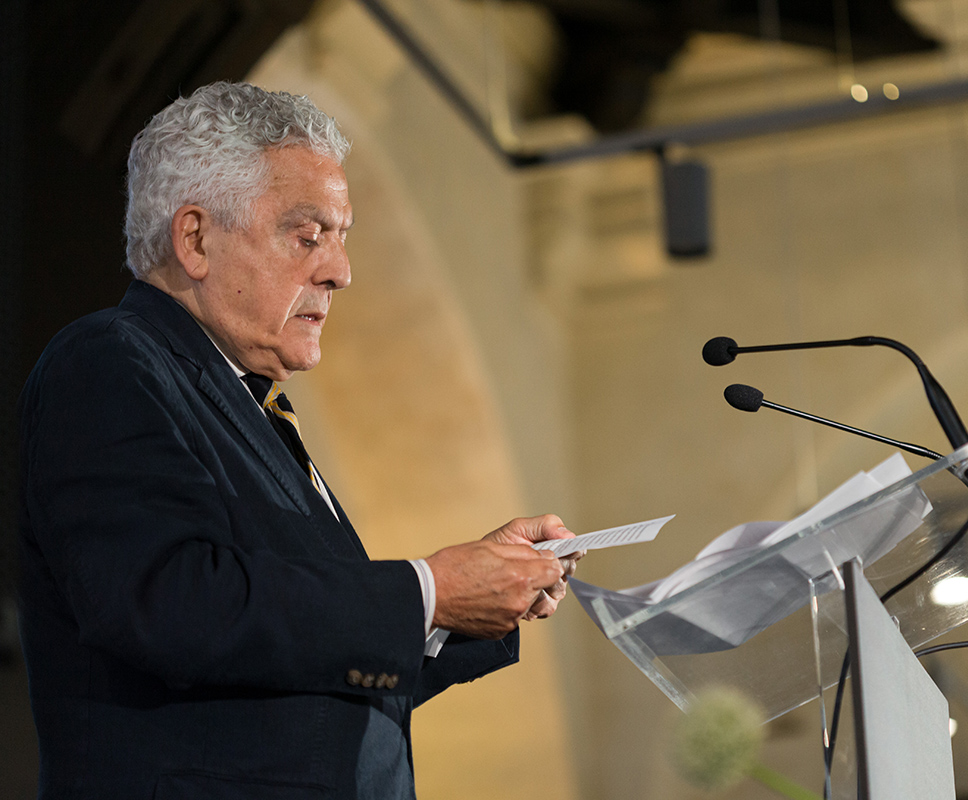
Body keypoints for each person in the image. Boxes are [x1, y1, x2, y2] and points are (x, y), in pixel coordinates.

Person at [18, 81, 580, 799]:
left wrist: (469, 605)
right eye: (308, 236)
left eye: (342, 239)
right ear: (195, 239)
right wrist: (430, 592)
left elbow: (300, 669)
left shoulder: (252, 404)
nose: (340, 272)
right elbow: (170, 604)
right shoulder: (107, 360)